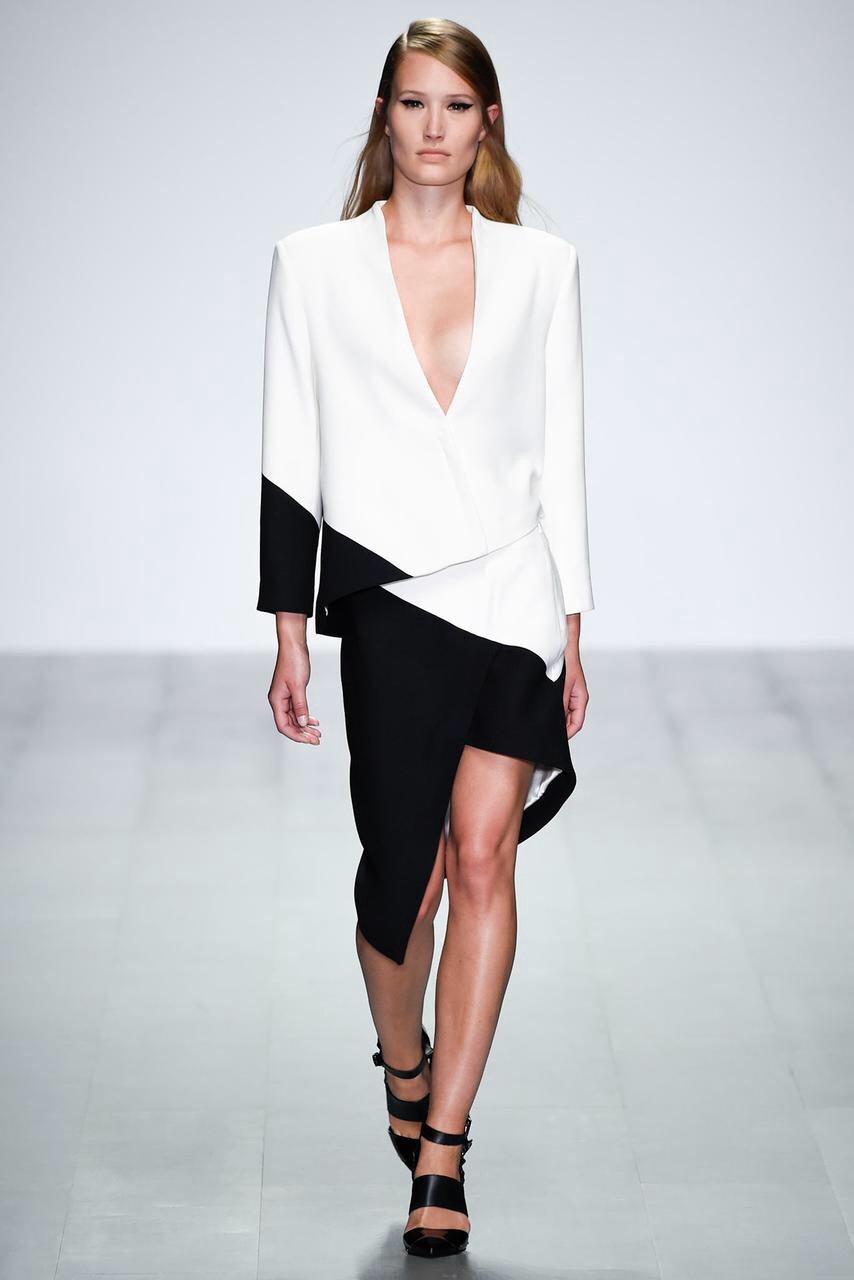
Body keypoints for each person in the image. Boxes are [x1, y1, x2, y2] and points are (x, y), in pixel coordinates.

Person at [256, 17, 594, 1260]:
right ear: (383, 116)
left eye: (456, 104)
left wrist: (572, 620)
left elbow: (561, 447)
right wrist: (289, 628)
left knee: (484, 854)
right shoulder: (312, 263)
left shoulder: (542, 266)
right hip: (391, 597)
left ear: (486, 120)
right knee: (403, 881)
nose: (434, 126)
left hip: (511, 585)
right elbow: (288, 450)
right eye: (413, 102)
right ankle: (401, 1051)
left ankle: (442, 1146)